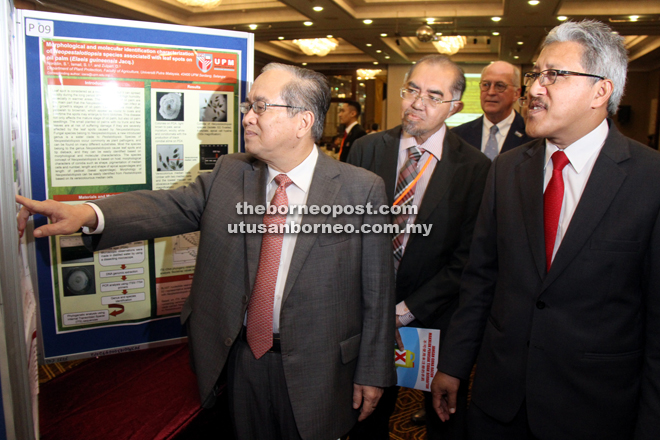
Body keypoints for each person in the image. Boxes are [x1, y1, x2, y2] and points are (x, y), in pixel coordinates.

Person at [17, 63, 396, 440]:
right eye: (248, 106)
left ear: (302, 121)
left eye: (260, 107)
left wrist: (372, 371)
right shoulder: (233, 173)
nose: (247, 117)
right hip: (241, 359)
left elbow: (377, 293)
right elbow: (169, 206)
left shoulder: (359, 190)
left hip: (322, 366)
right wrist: (87, 213)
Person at [432, 20, 660, 440]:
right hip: (498, 404)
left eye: (554, 75)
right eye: (536, 74)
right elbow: (481, 278)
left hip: (594, 412)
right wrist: (453, 364)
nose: (535, 88)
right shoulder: (507, 169)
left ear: (600, 91)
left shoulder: (650, 179)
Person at [347, 54, 491, 440]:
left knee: (442, 419)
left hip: (435, 317)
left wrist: (406, 311)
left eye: (433, 95)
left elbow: (468, 259)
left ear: (455, 107)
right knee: (366, 415)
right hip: (365, 311)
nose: (416, 102)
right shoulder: (366, 149)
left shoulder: (475, 168)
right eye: (411, 90)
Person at [452, 61, 534, 159]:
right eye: (486, 85)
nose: (491, 92)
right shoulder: (458, 136)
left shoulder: (531, 137)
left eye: (500, 86)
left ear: (516, 93)